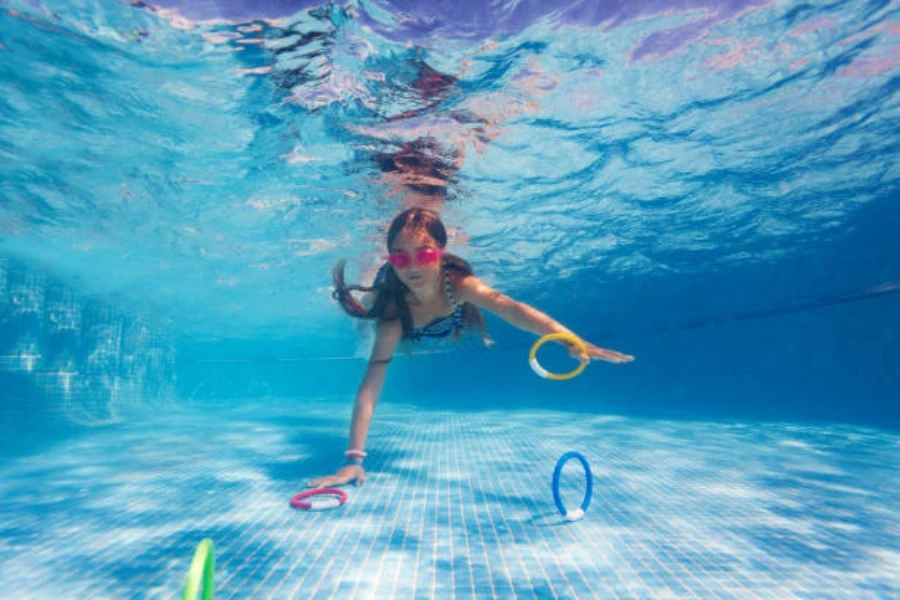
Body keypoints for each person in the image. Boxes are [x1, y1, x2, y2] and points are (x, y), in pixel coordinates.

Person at [307, 207, 634, 488]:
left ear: (442, 253)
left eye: (425, 254)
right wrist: (353, 458)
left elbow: (510, 307)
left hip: (447, 319)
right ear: (390, 260)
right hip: (404, 317)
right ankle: (372, 273)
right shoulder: (393, 313)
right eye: (399, 257)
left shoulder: (459, 284)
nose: (413, 266)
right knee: (369, 322)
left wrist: (569, 339)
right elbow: (372, 381)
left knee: (457, 319)